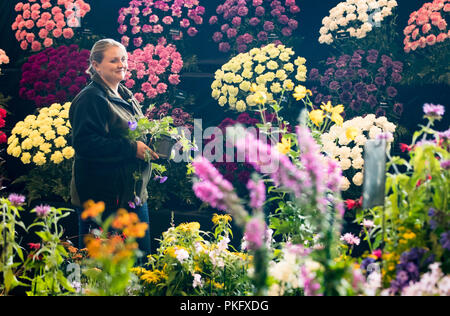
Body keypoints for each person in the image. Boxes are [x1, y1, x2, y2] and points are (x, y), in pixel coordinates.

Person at [69, 39, 158, 258]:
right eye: (114, 60)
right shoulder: (91, 98)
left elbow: (132, 132)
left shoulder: (125, 94)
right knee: (102, 271)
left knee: (140, 264)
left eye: (124, 59)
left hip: (132, 195)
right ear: (96, 65)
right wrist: (131, 149)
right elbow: (85, 144)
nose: (122, 64)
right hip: (103, 201)